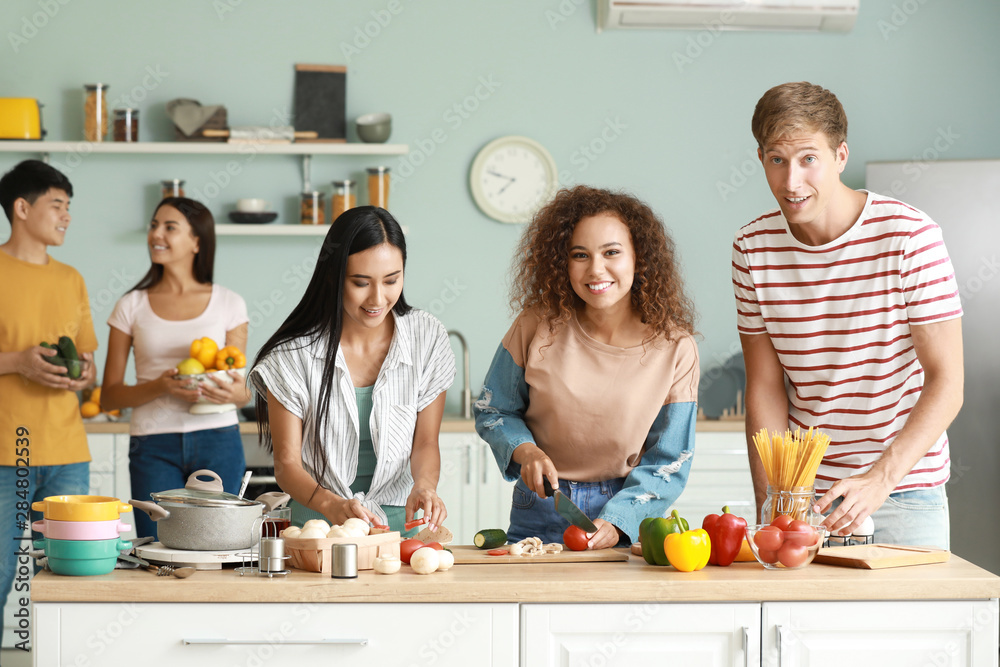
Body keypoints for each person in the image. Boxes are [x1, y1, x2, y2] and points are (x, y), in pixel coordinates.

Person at [732, 82, 963, 549]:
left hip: (904, 491)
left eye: (808, 159)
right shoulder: (751, 249)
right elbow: (764, 385)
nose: (791, 182)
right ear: (761, 159)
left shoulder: (909, 237)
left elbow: (948, 381)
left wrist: (879, 480)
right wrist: (773, 500)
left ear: (840, 156)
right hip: (804, 498)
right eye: (777, 160)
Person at [474, 185, 700, 549]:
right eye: (580, 255)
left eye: (612, 252)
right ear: (562, 262)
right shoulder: (535, 325)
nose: (596, 270)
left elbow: (669, 459)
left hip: (626, 510)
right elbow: (493, 408)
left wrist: (619, 520)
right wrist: (526, 451)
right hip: (541, 502)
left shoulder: (676, 347)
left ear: (639, 258)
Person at [248, 206, 456, 534]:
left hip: (400, 527)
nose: (377, 298)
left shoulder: (426, 337)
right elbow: (287, 465)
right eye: (361, 282)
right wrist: (333, 505)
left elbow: (426, 442)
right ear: (334, 277)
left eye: (391, 280)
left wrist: (425, 487)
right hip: (317, 527)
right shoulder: (291, 355)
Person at [101, 197, 250, 539]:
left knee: (221, 543)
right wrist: (161, 387)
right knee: (157, 548)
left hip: (219, 438)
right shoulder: (130, 305)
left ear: (197, 241)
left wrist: (239, 395)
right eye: (154, 225)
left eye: (170, 227)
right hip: (152, 445)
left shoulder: (229, 303)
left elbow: (239, 387)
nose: (156, 234)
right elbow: (109, 396)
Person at [0, 160, 98, 631]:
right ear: (22, 208)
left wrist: (85, 375)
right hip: (4, 453)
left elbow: (87, 359)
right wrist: (16, 361)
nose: (66, 216)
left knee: (69, 581)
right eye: (57, 204)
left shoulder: (72, 278)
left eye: (68, 206)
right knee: (0, 575)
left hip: (67, 455)